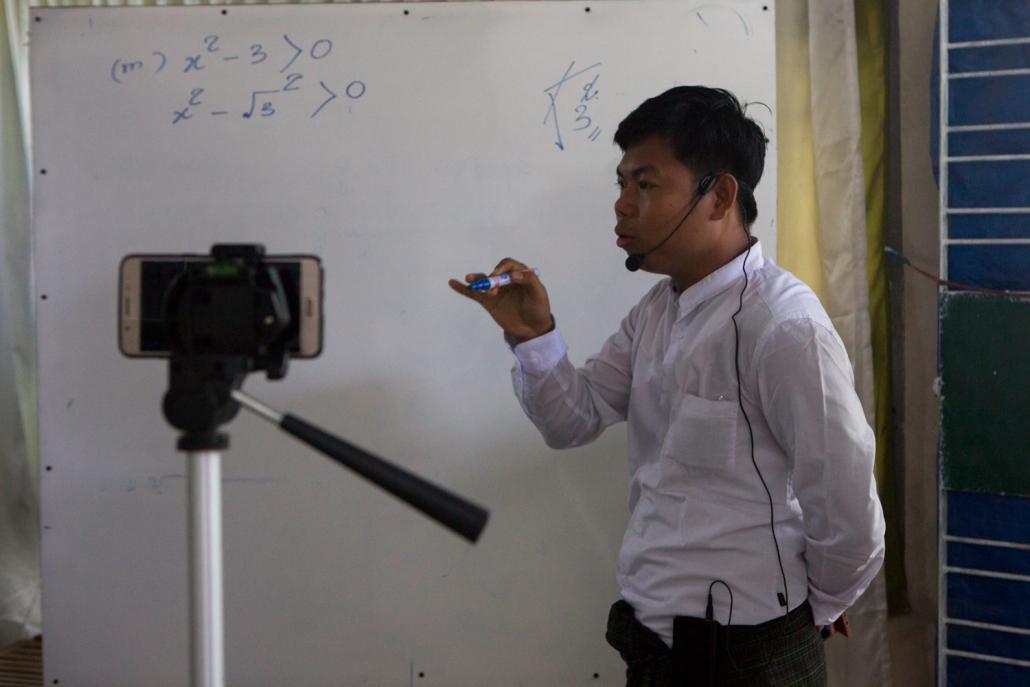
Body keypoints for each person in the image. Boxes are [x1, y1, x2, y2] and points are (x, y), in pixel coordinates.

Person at [449, 86, 885, 686]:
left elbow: (847, 504)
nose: (622, 207)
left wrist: (819, 606)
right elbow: (571, 421)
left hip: (749, 657)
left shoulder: (782, 327)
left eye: (646, 185)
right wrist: (533, 335)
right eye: (622, 184)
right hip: (657, 641)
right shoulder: (659, 311)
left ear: (720, 195)